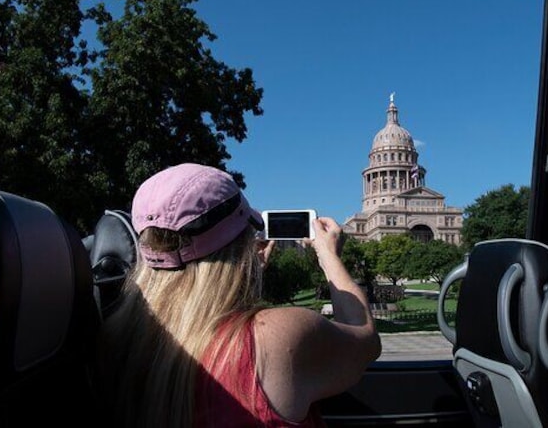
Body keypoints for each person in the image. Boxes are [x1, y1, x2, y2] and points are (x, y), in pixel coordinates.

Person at [98, 162, 381, 428]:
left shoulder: (112, 335)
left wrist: (246, 276)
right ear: (241, 245)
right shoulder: (277, 337)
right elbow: (364, 339)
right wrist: (329, 257)